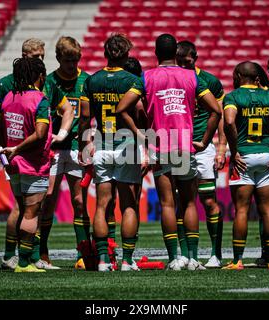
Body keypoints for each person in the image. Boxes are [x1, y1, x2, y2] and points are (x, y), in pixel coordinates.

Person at [117, 34, 222, 271]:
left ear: (155, 53)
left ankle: (175, 257)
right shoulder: (192, 77)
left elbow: (122, 108)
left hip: (160, 146)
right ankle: (194, 258)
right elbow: (216, 110)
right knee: (189, 203)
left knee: (167, 203)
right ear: (176, 53)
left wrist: (139, 134)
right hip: (185, 145)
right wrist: (205, 141)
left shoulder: (146, 77)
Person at [0, 38, 73, 270]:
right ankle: (15, 256)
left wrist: (60, 134)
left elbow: (68, 108)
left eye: (42, 56)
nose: (41, 61)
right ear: (24, 56)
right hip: (27, 156)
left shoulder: (47, 83)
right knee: (25, 209)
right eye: (35, 57)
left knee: (32, 207)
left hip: (24, 155)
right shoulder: (11, 84)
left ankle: (29, 256)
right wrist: (11, 140)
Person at [78, 33, 143, 272]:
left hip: (102, 144)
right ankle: (126, 260)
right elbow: (140, 113)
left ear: (106, 53)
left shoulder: (91, 80)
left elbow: (84, 118)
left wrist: (83, 146)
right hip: (126, 146)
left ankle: (104, 260)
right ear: (126, 54)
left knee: (102, 205)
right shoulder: (133, 80)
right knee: (128, 205)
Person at [222, 61, 269, 270]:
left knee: (241, 210)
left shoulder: (233, 97)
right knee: (268, 210)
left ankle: (238, 260)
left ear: (238, 76)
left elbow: (229, 122)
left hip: (244, 157)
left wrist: (234, 152)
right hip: (265, 155)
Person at [0, 57, 51, 273]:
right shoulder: (40, 99)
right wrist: (18, 149)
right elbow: (40, 134)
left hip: (14, 164)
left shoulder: (8, 97)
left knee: (21, 210)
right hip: (33, 163)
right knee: (31, 213)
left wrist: (6, 154)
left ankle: (19, 258)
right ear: (39, 76)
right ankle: (24, 262)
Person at [176, 40, 227, 268]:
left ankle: (216, 253)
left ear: (195, 57)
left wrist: (221, 147)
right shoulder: (173, 79)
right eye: (181, 62)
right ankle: (185, 253)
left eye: (188, 61)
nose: (185, 65)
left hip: (204, 149)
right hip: (179, 148)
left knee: (208, 201)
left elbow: (221, 116)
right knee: (182, 200)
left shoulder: (210, 82)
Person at [41, 36, 89, 270]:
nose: (72, 64)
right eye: (67, 60)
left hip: (77, 149)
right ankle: (42, 252)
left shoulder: (86, 81)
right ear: (59, 58)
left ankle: (83, 253)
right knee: (48, 199)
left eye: (75, 59)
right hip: (54, 148)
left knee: (79, 201)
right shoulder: (49, 82)